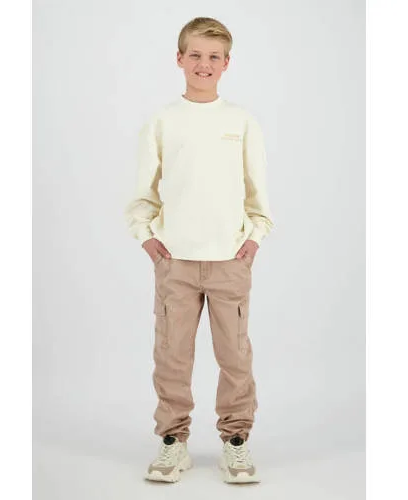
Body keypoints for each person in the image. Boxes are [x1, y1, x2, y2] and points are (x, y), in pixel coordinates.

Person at [124, 16, 274, 484]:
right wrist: (148, 239)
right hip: (176, 262)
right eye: (195, 55)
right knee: (172, 355)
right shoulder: (163, 121)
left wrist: (253, 239)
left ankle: (236, 440)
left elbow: (257, 194)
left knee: (235, 355)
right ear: (179, 59)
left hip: (230, 260)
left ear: (226, 63)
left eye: (213, 57)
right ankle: (173, 442)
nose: (203, 64)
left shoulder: (241, 122)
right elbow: (144, 192)